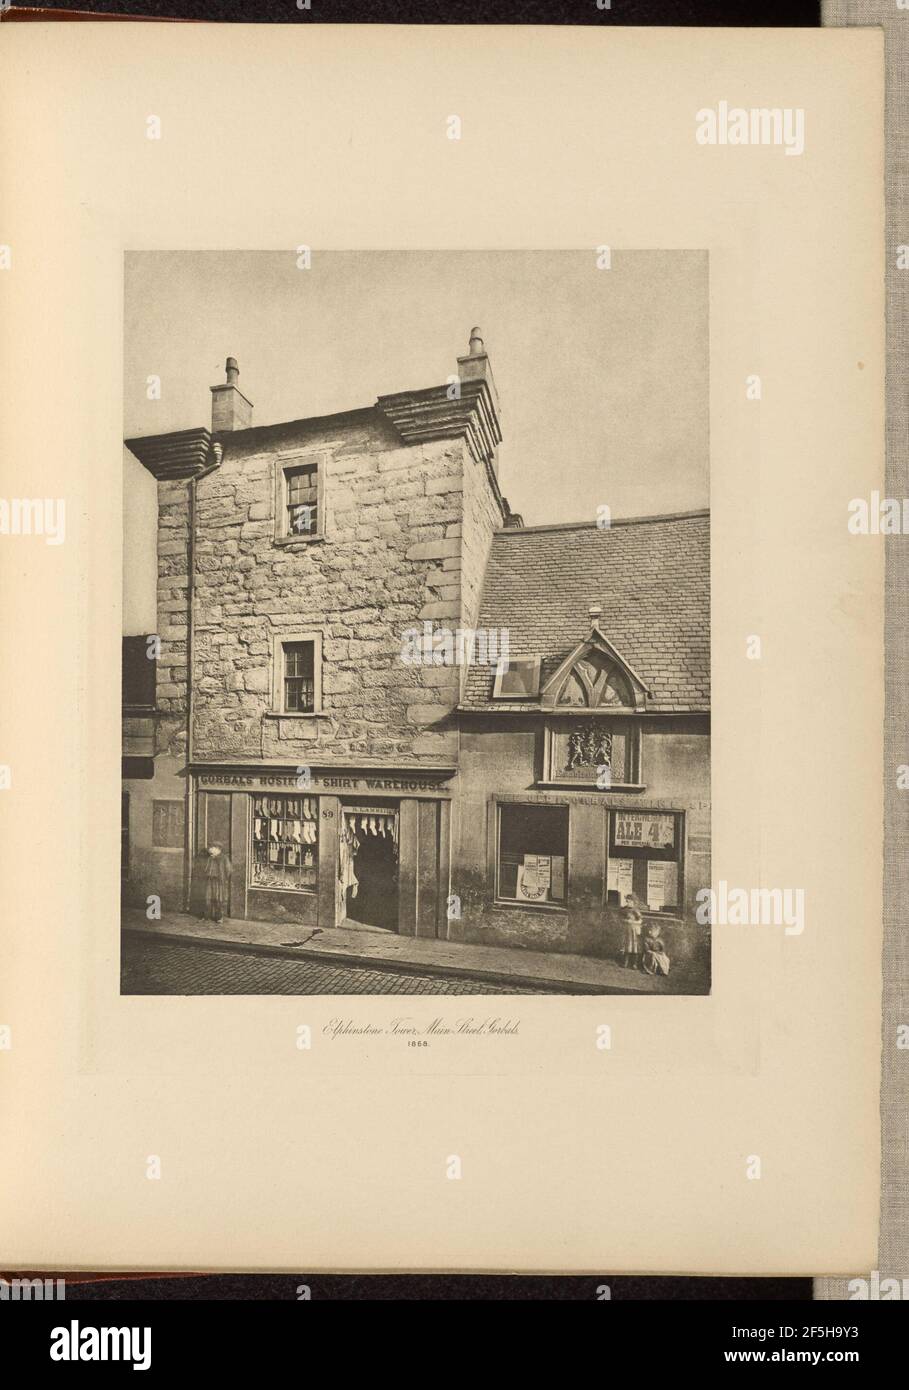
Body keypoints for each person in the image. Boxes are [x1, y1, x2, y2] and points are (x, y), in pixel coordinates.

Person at [202, 844, 232, 923]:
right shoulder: (210, 858)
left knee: (219, 898)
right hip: (209, 880)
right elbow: (206, 868)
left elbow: (228, 870)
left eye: (212, 848)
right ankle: (206, 916)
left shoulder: (224, 858)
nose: (210, 850)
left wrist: (223, 878)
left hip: (219, 881)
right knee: (208, 898)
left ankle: (219, 917)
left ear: (217, 849)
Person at [620, 893, 643, 969]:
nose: (628, 903)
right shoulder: (624, 910)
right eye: (627, 901)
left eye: (630, 902)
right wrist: (626, 921)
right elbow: (621, 919)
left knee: (634, 946)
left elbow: (640, 921)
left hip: (634, 930)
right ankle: (625, 962)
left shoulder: (635, 910)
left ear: (633, 902)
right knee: (627, 946)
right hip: (627, 930)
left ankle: (634, 963)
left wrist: (634, 922)